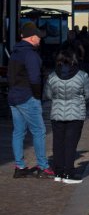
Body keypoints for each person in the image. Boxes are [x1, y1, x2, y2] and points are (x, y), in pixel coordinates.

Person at [8, 22, 54, 179]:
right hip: (27, 96)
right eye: (38, 37)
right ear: (32, 37)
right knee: (39, 131)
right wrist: (37, 96)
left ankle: (19, 166)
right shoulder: (31, 55)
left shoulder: (15, 52)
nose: (40, 40)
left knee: (18, 132)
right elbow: (35, 78)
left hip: (14, 96)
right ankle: (43, 167)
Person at [45, 49, 89, 183]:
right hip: (76, 114)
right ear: (74, 60)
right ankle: (69, 173)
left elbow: (48, 95)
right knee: (70, 144)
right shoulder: (82, 76)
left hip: (57, 114)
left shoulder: (52, 76)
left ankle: (58, 172)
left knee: (58, 143)